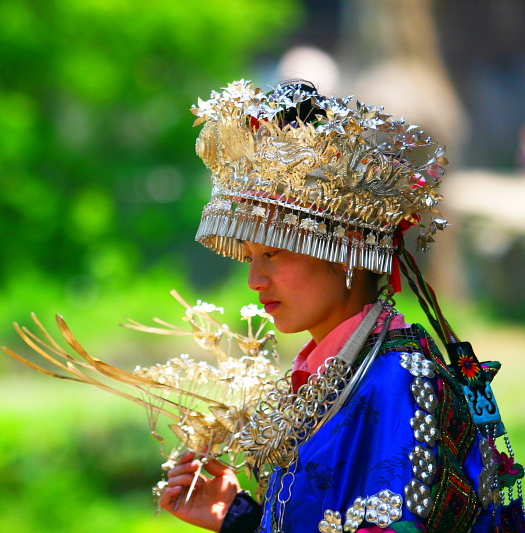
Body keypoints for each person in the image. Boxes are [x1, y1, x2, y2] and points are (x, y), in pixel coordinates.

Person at [157, 81, 524, 533]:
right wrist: (242, 520)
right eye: (249, 257)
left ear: (344, 248)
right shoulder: (338, 376)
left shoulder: (396, 383)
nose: (255, 281)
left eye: (274, 253)